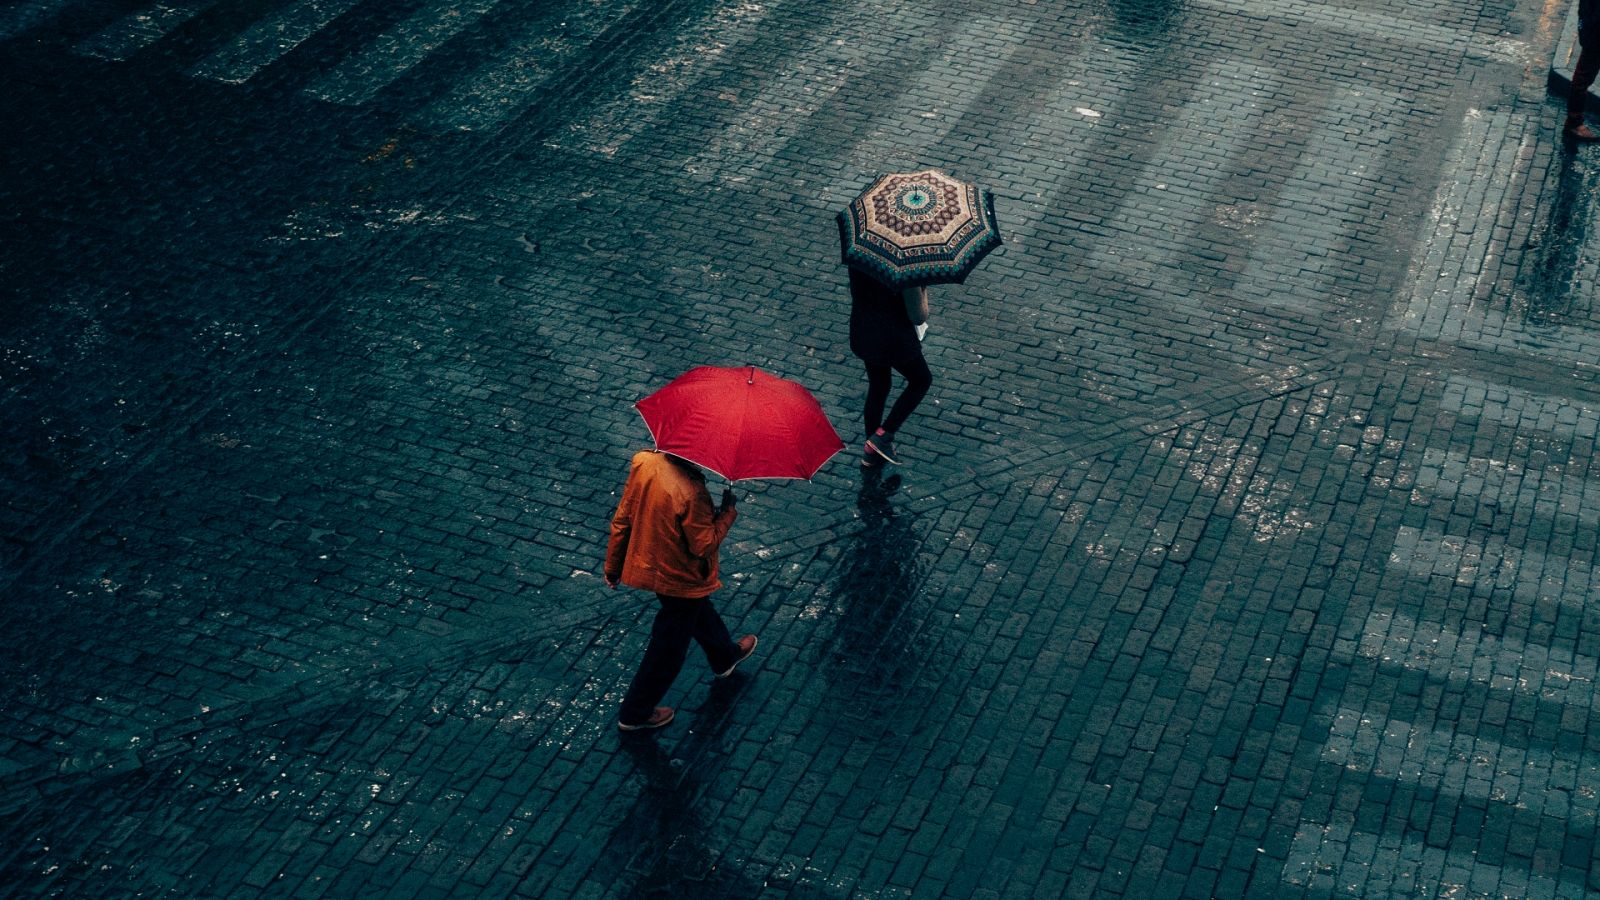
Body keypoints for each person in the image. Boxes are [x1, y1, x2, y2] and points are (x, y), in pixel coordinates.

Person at [605, 449, 757, 732]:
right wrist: (726, 514)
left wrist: (613, 565)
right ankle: (635, 712)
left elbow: (623, 518)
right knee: (669, 646)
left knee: (698, 610)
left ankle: (724, 656)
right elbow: (704, 545)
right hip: (680, 577)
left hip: (652, 562)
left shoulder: (644, 462)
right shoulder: (691, 491)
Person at [848, 268, 932, 468]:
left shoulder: (862, 255)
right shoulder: (906, 269)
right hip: (893, 337)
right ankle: (883, 436)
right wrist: (922, 286)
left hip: (865, 328)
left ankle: (871, 453)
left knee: (879, 384)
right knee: (921, 380)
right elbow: (918, 315)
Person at [1567, 0, 1600, 141]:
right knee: (1582, 78)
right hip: (1595, 35)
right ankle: (1574, 122)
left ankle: (1574, 121)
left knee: (1583, 77)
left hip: (1592, 31)